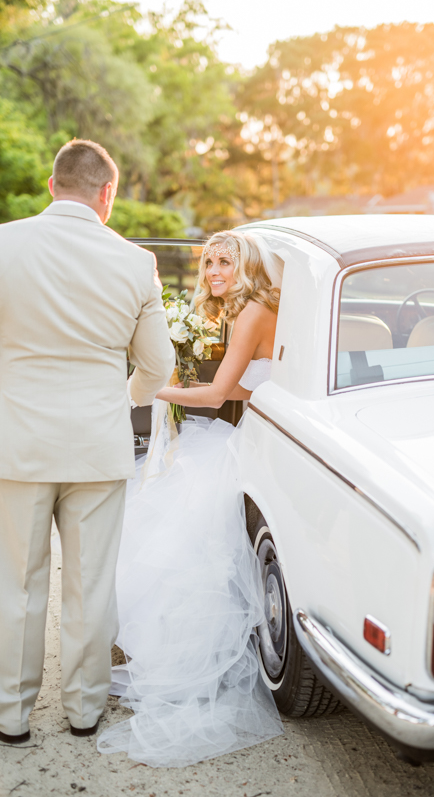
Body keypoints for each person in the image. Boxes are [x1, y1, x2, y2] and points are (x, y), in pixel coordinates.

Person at [0, 139, 175, 744]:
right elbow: (158, 365)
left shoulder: (3, 244)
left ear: (51, 186)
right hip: (97, 446)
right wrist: (119, 398)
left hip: (16, 442)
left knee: (15, 584)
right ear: (108, 194)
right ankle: (81, 710)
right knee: (89, 583)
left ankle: (10, 715)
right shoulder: (134, 262)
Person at [97, 231, 285, 768]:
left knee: (164, 513)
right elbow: (250, 387)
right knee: (162, 501)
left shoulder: (250, 313)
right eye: (207, 262)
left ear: (246, 266)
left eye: (225, 261)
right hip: (254, 425)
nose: (212, 271)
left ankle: (172, 651)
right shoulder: (246, 310)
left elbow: (217, 395)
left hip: (255, 440)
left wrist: (150, 388)